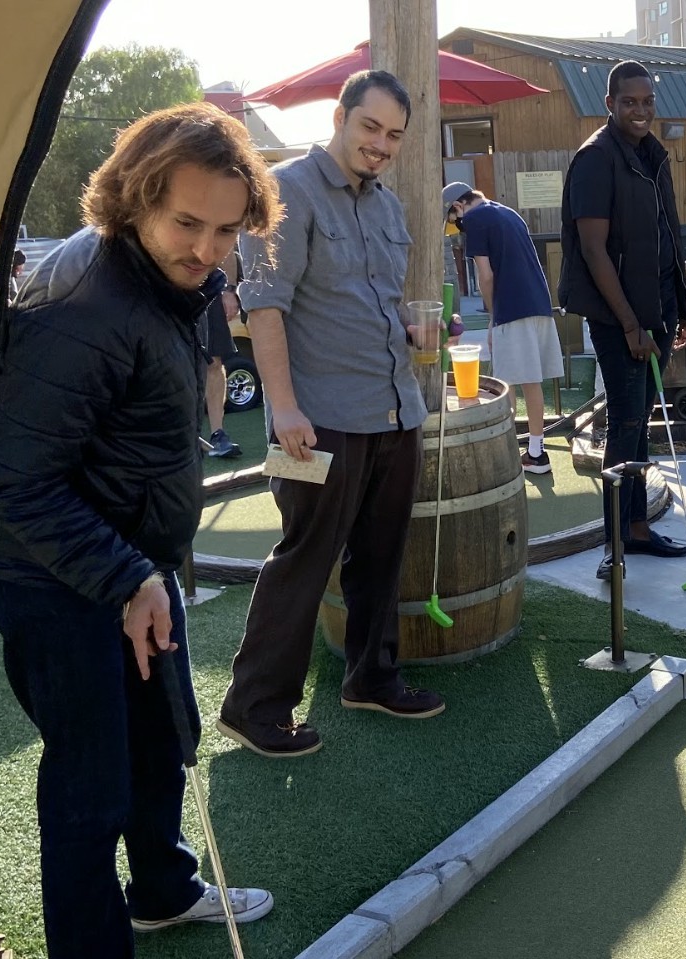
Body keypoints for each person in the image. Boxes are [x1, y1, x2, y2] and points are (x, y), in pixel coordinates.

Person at [0, 103, 282, 959]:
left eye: (227, 227)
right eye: (188, 223)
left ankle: (162, 891)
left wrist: (143, 568)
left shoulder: (169, 285)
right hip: (55, 576)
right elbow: (12, 482)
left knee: (157, 739)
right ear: (137, 199)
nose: (209, 247)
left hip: (127, 564)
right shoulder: (85, 307)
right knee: (89, 785)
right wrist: (124, 575)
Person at [218, 69, 444, 758]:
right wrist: (282, 408)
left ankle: (371, 677)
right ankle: (253, 707)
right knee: (305, 560)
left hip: (392, 410)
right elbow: (265, 307)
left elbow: (377, 300)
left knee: (381, 556)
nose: (380, 145)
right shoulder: (286, 192)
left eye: (393, 136)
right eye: (370, 127)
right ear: (342, 117)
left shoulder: (387, 206)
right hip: (319, 424)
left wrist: (413, 331)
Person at [559, 60, 686, 582]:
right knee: (626, 422)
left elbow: (666, 236)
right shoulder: (596, 159)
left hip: (655, 311)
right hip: (620, 320)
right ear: (610, 103)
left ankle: (637, 528)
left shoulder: (650, 155)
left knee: (641, 423)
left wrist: (679, 309)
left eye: (647, 101)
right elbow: (593, 251)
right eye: (629, 101)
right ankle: (614, 542)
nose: (640, 110)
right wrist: (632, 326)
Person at [443, 184, 564, 474]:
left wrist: (493, 315)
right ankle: (536, 451)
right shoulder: (509, 214)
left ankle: (511, 452)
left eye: (453, 220)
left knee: (506, 382)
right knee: (531, 382)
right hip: (539, 304)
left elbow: (486, 276)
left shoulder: (475, 220)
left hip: (511, 308)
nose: (457, 228)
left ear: (458, 207)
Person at [200, 249, 243, 458]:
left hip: (206, 288)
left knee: (214, 363)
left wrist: (228, 290)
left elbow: (227, 250)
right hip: (165, 287)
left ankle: (218, 434)